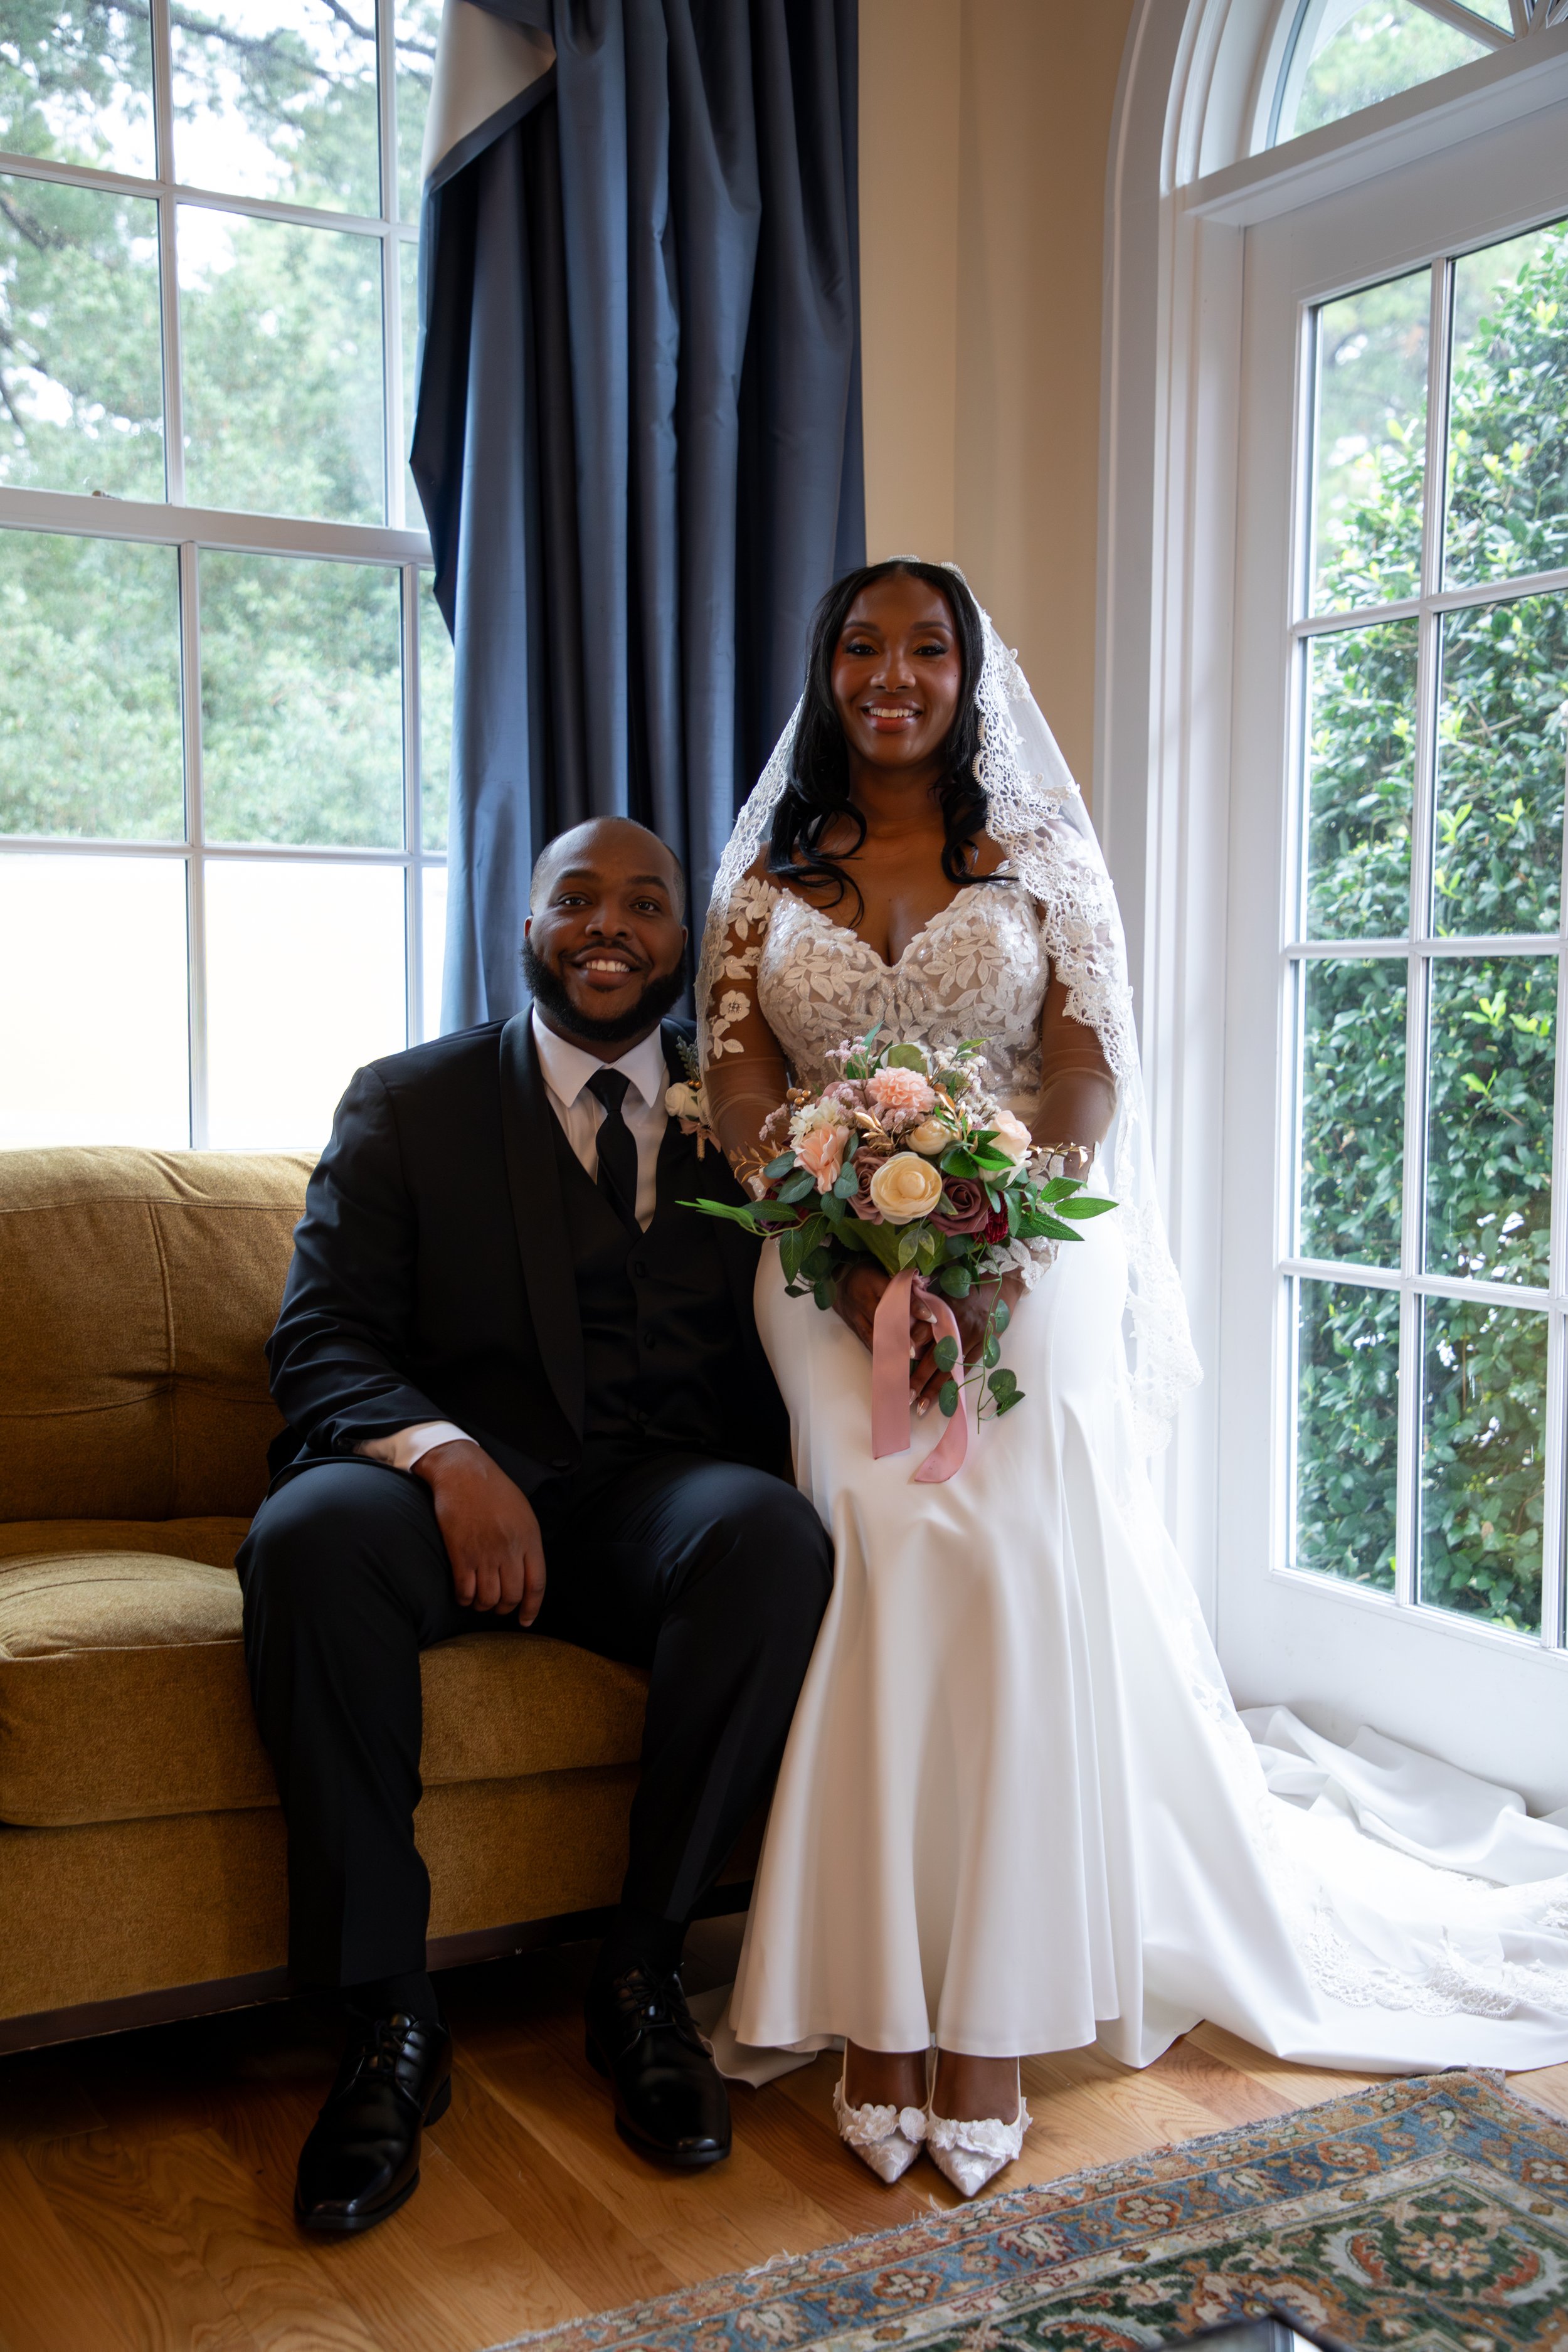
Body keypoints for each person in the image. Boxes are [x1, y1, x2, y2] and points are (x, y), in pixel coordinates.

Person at [697, 558, 1568, 2201]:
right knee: (883, 1550)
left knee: (1009, 1551)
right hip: (823, 1265)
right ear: (825, 675)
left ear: (969, 675)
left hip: (1028, 1247)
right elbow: (742, 1078)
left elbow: (1091, 1072)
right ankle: (875, 2005)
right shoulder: (765, 876)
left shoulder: (1032, 857)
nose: (896, 673)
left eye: (929, 646)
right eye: (862, 646)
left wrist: (992, 1216)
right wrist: (834, 1212)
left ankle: (990, 2019)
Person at [238, 815, 833, 2234]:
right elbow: (318, 1338)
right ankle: (389, 2020)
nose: (609, 925)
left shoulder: (758, 1112)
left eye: (643, 902)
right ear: (525, 925)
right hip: (443, 1500)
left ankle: (640, 1979)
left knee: (772, 1543)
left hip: (653, 1501)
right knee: (306, 1541)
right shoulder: (407, 1102)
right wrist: (444, 1455)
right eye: (577, 898)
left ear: (684, 942)